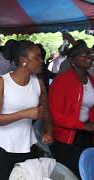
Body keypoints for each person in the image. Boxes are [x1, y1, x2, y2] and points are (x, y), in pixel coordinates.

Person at [0, 40, 53, 180]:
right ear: (24, 60)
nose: (42, 61)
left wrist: (48, 131)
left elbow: (45, 111)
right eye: (37, 57)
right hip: (1, 145)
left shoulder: (38, 83)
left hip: (26, 144)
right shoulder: (2, 82)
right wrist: (24, 114)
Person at [48, 43, 94, 178]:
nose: (90, 57)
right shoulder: (61, 81)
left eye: (90, 53)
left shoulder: (91, 80)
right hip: (66, 138)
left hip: (86, 134)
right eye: (84, 54)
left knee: (86, 171)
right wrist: (82, 126)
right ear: (73, 61)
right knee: (71, 174)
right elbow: (55, 115)